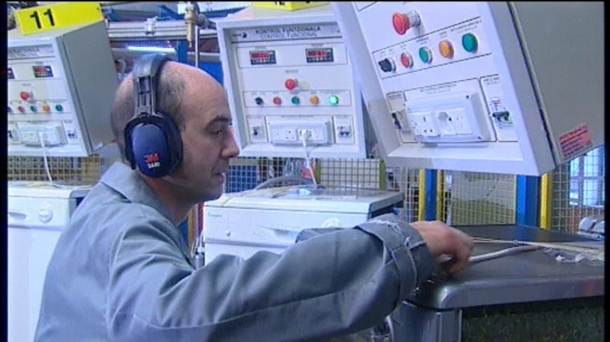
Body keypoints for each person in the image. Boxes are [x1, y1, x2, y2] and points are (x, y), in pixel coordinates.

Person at [35, 54, 474, 342]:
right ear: (156, 146)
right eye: (215, 129)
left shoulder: (112, 210)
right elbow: (171, 322)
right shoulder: (124, 227)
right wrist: (395, 245)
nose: (233, 146)